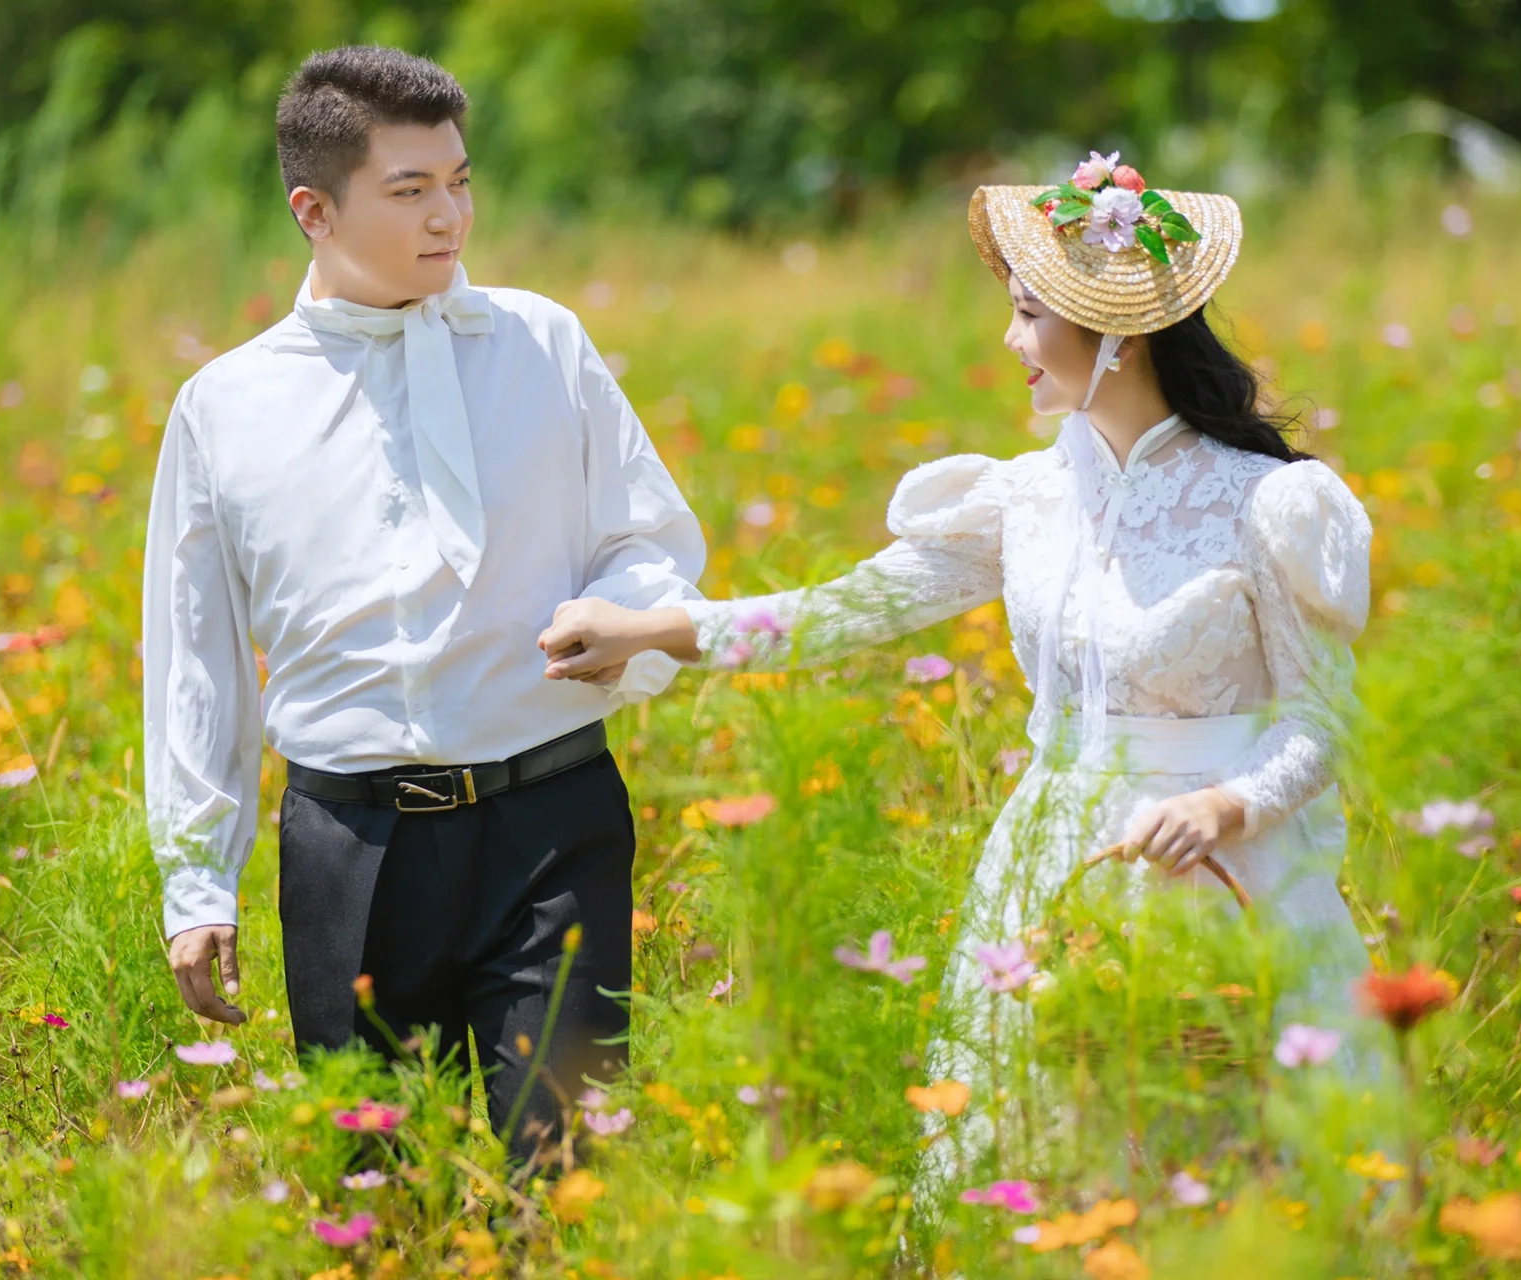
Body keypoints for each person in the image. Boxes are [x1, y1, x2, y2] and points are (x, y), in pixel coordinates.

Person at [536, 157, 1375, 1171]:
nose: (1011, 341)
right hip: (1061, 860)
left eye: (1030, 316)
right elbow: (842, 612)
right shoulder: (1025, 498)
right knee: (1050, 1157)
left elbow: (1324, 719)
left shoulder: (1263, 503)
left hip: (1230, 864)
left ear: (1114, 333)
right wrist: (651, 629)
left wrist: (1224, 808)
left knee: (1230, 1156)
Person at [142, 46, 705, 1154]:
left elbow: (648, 538)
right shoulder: (226, 406)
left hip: (555, 826)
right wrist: (197, 877)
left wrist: (623, 621)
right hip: (350, 849)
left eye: (459, 179)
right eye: (411, 191)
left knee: (569, 1171)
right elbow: (194, 654)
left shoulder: (544, 341)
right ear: (314, 208)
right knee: (386, 1194)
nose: (451, 215)